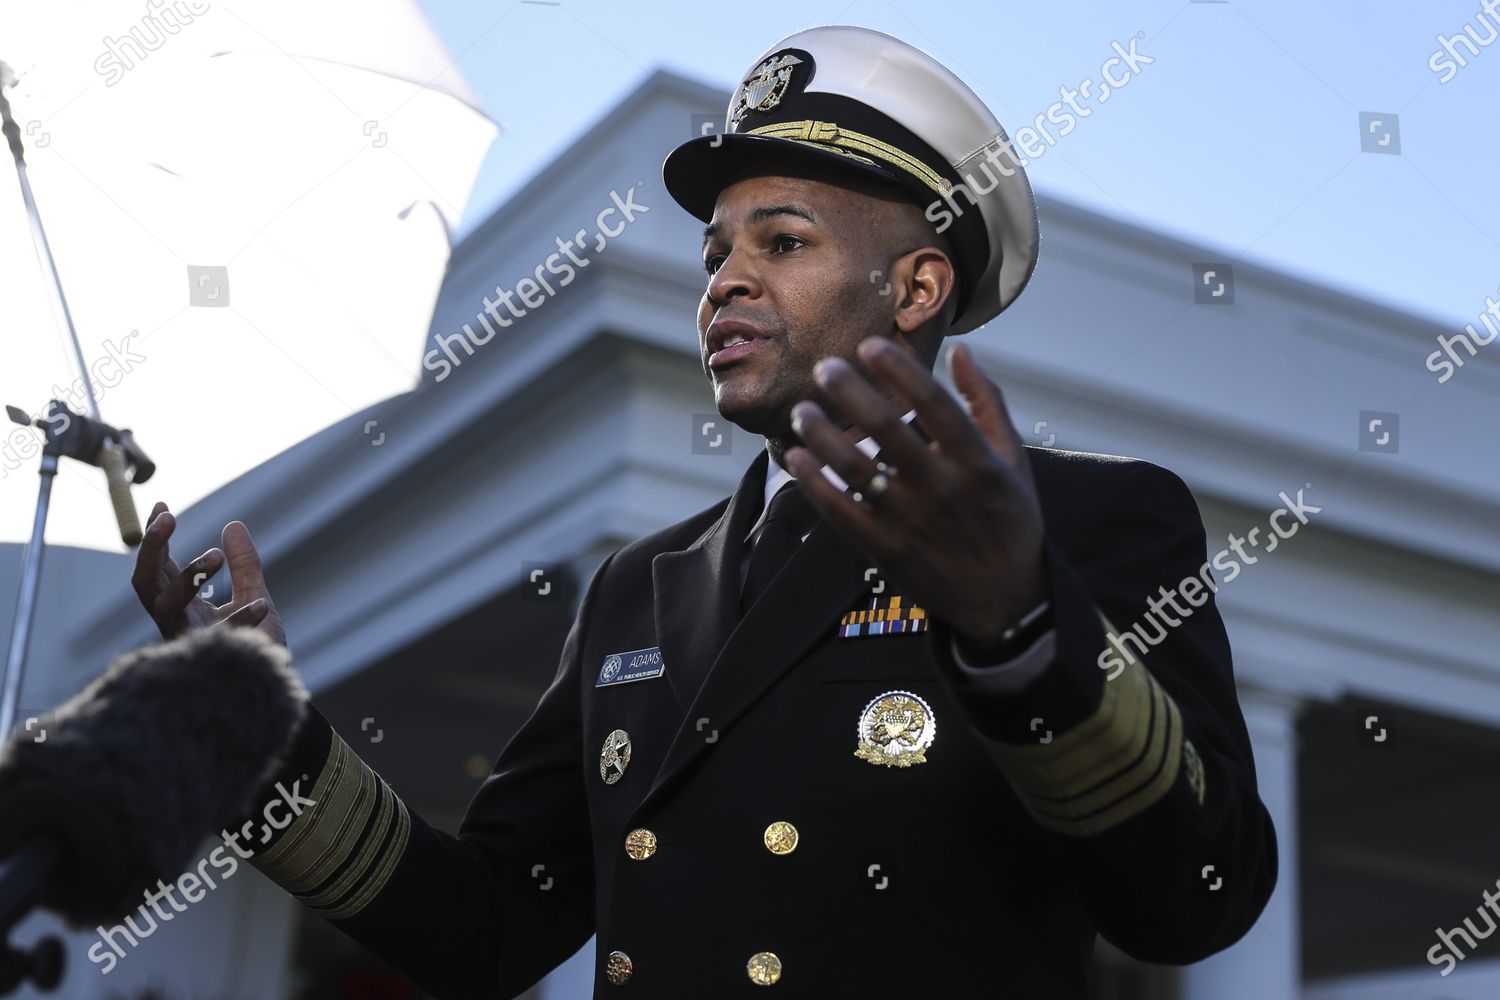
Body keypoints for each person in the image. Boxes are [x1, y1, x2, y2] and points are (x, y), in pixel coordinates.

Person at [132, 25, 1275, 999]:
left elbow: (1196, 898)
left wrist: (1023, 633)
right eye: (716, 252)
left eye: (783, 242)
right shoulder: (638, 584)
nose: (724, 280)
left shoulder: (1086, 518)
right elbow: (485, 927)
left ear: (919, 288)